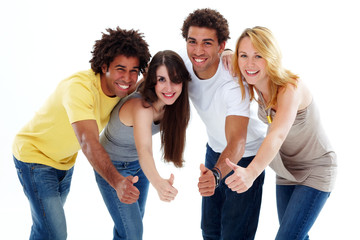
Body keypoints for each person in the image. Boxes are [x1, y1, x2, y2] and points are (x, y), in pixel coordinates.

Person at [12, 27, 151, 240]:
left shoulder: (122, 88)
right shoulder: (80, 88)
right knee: (54, 232)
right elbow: (88, 141)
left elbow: (158, 72)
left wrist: (223, 52)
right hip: (34, 158)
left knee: (45, 229)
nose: (128, 78)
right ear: (104, 66)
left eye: (134, 71)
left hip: (64, 162)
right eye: (120, 69)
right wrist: (117, 182)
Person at [226, 26, 337, 240]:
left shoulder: (289, 88)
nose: (250, 63)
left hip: (316, 170)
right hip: (286, 172)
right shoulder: (254, 84)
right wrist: (225, 53)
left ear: (271, 56)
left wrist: (251, 172)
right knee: (296, 236)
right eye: (244, 55)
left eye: (258, 56)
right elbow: (224, 60)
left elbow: (276, 135)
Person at [180, 8, 267, 240]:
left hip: (246, 156)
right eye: (192, 41)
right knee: (209, 230)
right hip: (214, 149)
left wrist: (216, 175)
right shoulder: (185, 65)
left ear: (221, 46)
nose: (198, 51)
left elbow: (238, 141)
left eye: (207, 43)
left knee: (234, 233)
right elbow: (154, 77)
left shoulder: (232, 82)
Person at [96, 50, 191, 239]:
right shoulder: (141, 107)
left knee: (130, 227)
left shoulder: (171, 104)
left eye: (175, 79)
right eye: (162, 80)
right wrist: (158, 183)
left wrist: (227, 53)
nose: (169, 87)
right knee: (132, 232)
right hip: (112, 167)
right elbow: (145, 150)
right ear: (153, 81)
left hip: (138, 168)